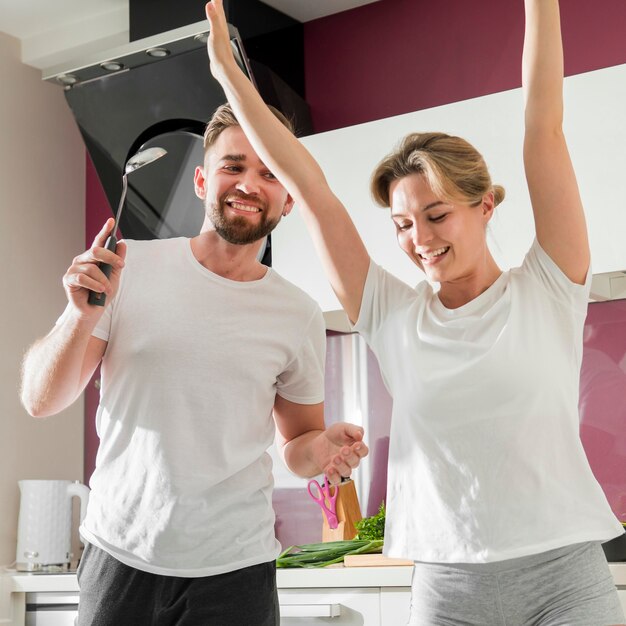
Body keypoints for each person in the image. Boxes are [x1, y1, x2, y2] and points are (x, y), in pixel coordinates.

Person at [204, 0, 626, 623]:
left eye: (436, 215)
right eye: (402, 223)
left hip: (562, 578)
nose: (420, 238)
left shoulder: (549, 285)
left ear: (484, 205)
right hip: (446, 586)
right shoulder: (391, 314)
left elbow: (544, 123)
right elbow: (311, 189)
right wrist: (229, 80)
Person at [19, 102, 368, 625]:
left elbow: (297, 446)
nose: (250, 184)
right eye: (233, 166)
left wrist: (325, 449)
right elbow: (40, 400)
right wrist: (76, 316)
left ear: (289, 197)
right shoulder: (128, 268)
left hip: (237, 571)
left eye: (270, 172)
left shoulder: (297, 313)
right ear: (203, 181)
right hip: (120, 557)